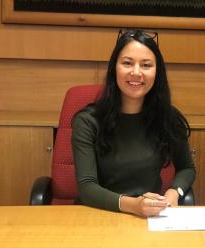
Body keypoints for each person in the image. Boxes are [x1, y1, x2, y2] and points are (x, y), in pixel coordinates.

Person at [72, 29, 195, 218]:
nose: (136, 72)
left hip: (149, 219)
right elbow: (87, 187)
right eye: (127, 63)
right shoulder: (88, 121)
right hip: (97, 216)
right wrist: (134, 206)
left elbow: (186, 168)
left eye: (146, 65)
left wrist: (174, 192)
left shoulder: (167, 117)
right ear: (114, 68)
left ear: (157, 72)